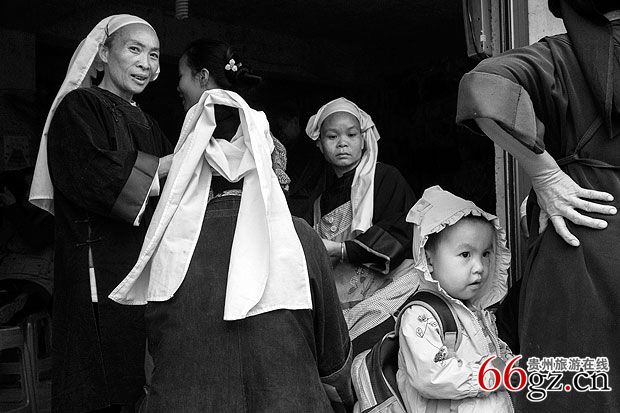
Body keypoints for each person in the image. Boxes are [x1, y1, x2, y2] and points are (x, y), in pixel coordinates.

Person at [109, 40, 353, 412]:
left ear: (191, 171)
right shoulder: (300, 237)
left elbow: (153, 362)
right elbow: (334, 364)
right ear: (268, 167)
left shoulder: (165, 243)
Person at [456, 1, 619, 410]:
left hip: (578, 266)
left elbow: (483, 85)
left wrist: (544, 174)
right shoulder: (562, 57)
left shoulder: (562, 56)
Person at [29, 14, 173, 412]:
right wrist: (166, 166)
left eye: (154, 55)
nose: (146, 63)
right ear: (105, 54)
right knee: (98, 382)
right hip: (97, 266)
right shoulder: (79, 106)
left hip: (141, 267)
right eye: (134, 49)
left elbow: (174, 192)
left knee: (136, 378)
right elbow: (92, 173)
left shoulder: (148, 121)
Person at [294, 97, 417, 355]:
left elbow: (399, 233)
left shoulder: (386, 178)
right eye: (332, 137)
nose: (342, 143)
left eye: (351, 135)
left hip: (389, 296)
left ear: (364, 140)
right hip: (344, 309)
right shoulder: (319, 202)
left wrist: (340, 249)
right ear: (320, 144)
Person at [396, 186, 513, 412]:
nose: (479, 267)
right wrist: (488, 376)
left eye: (485, 254)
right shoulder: (422, 315)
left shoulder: (476, 311)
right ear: (429, 259)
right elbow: (429, 376)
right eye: (465, 254)